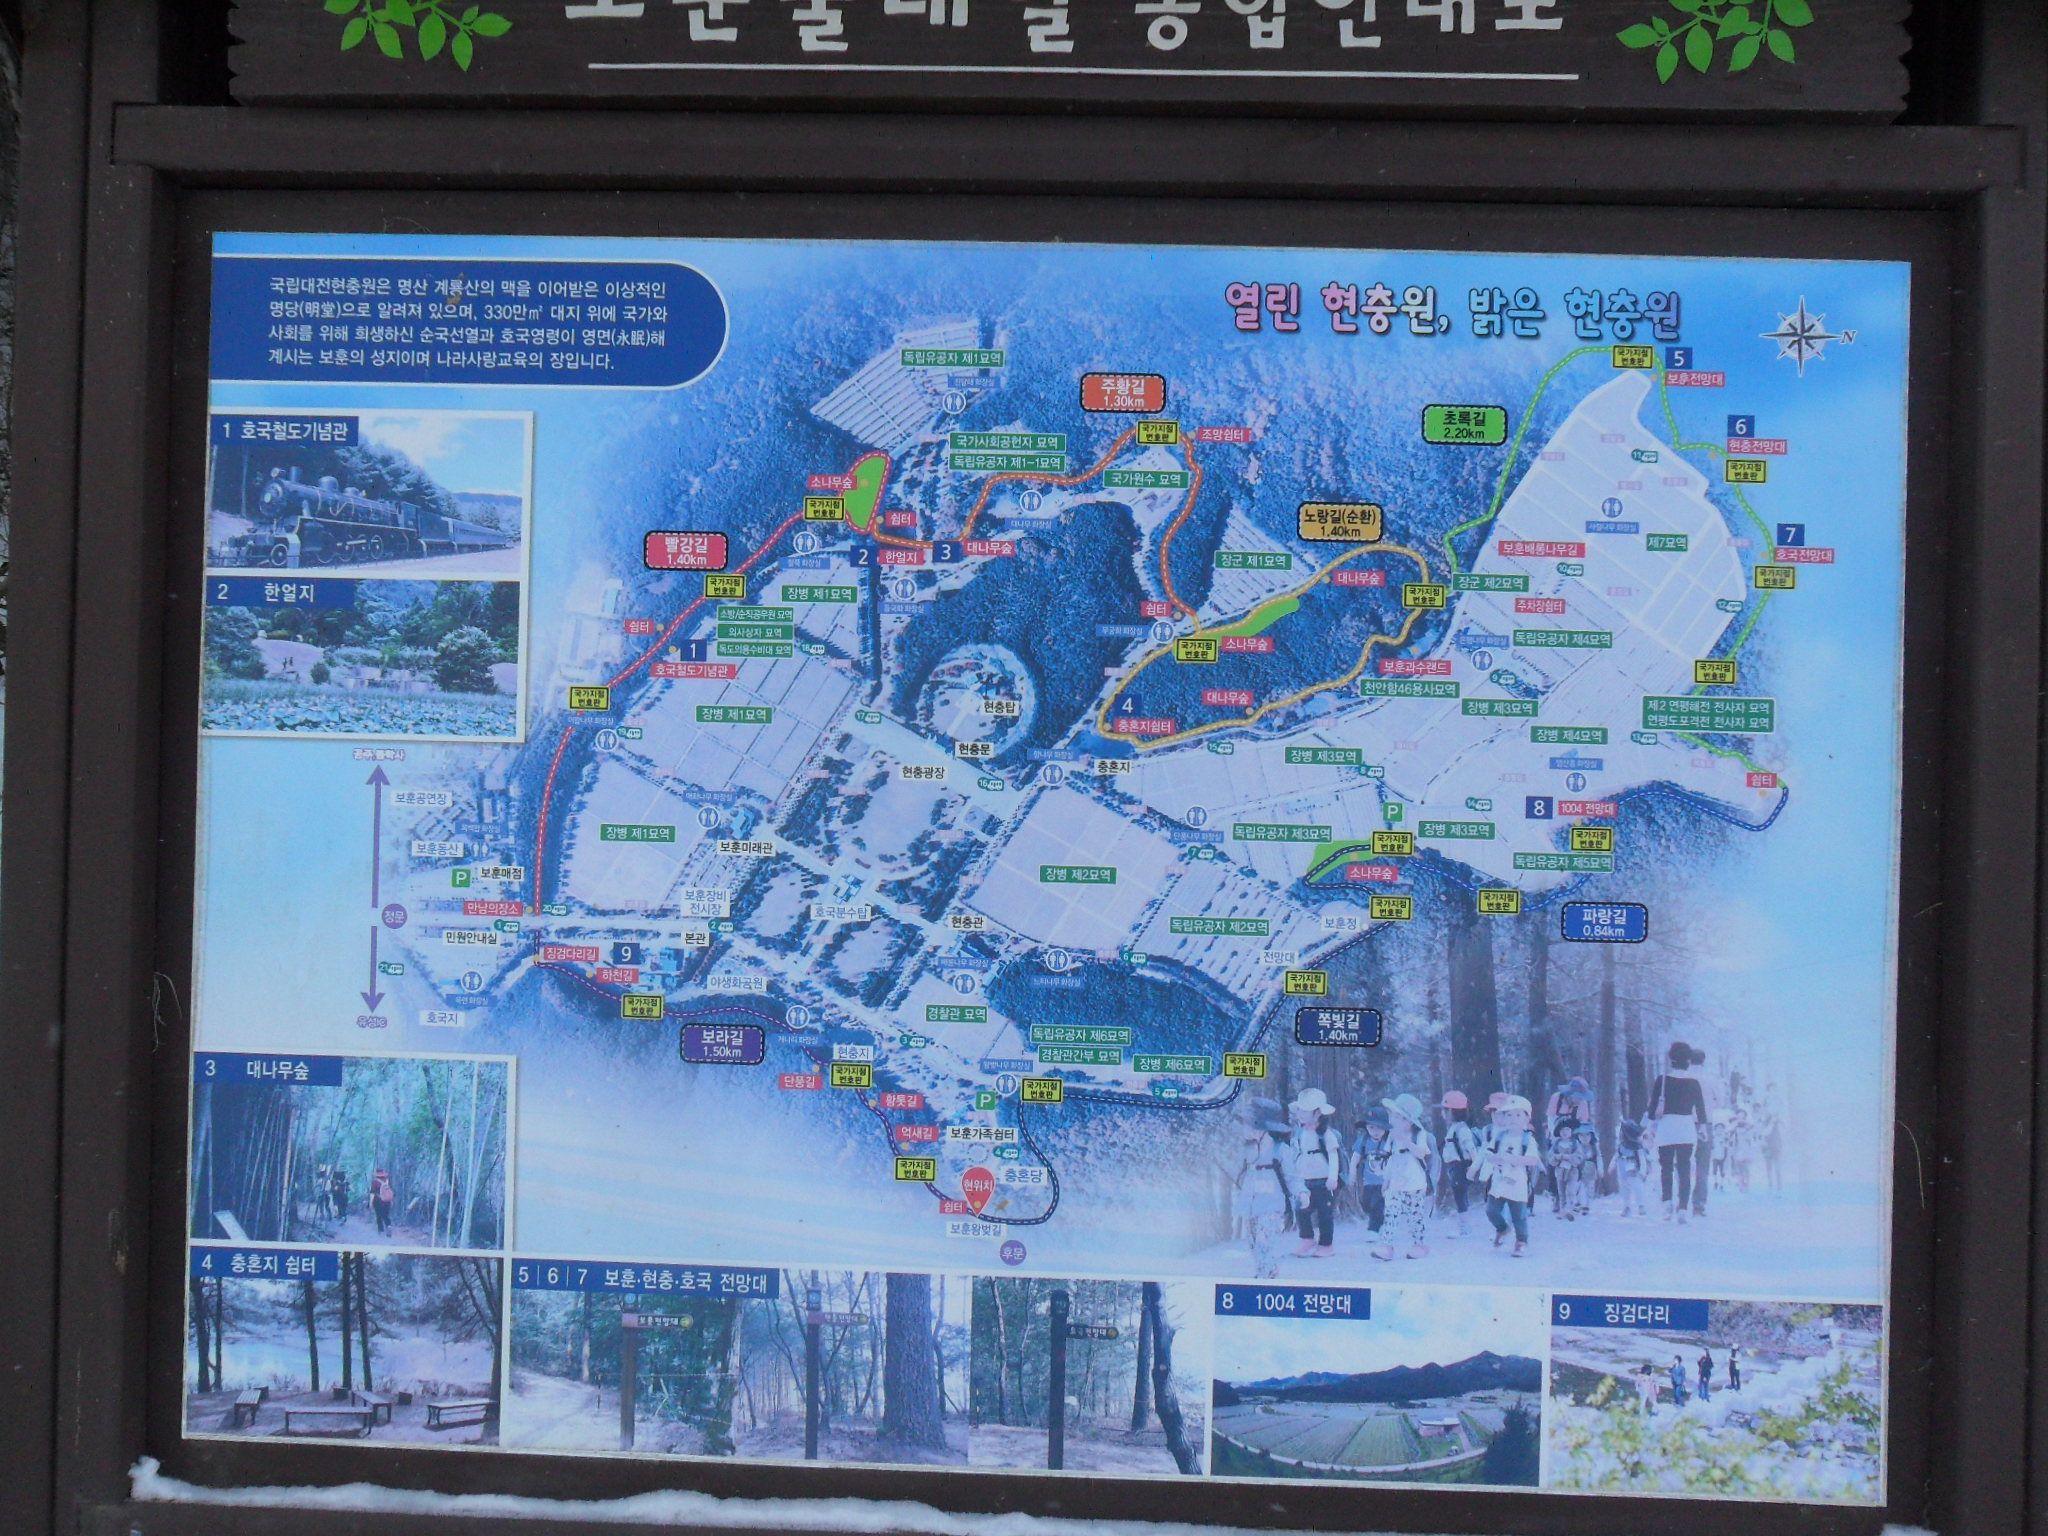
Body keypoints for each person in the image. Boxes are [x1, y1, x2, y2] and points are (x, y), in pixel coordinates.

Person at [1229, 1096, 1300, 1278]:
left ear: (1260, 1126)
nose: (1245, 1128)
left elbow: (1292, 1176)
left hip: (1272, 1205)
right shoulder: (1248, 1150)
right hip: (1251, 1204)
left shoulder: (1281, 1150)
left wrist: (1302, 1193)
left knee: (1264, 1240)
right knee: (1252, 1241)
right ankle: (1267, 1269)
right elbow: (1240, 1172)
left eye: (1248, 1124)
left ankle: (1265, 1274)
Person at [1646, 1041, 1709, 1223]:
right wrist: (1703, 1128)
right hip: (1686, 1127)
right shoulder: (1693, 1083)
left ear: (1671, 1060)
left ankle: (1667, 1205)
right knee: (1684, 1168)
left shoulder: (1662, 1080)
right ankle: (1683, 1208)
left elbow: (1652, 1107)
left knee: (1666, 1167)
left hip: (1666, 1127)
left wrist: (1649, 1128)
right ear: (1688, 1061)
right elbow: (1700, 1108)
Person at [1373, 1093, 1439, 1262]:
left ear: (1408, 1121)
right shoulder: (1391, 1137)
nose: (1392, 1118)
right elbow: (1390, 1159)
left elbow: (1421, 1153)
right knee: (1391, 1214)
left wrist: (1405, 1140)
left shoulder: (1419, 1135)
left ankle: (1419, 1245)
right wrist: (1386, 1180)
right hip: (1396, 1183)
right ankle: (1386, 1246)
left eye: (1396, 1116)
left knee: (1415, 1217)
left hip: (1415, 1184)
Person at [1476, 1093, 1541, 1258]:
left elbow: (1533, 1160)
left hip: (1517, 1183)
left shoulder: (1528, 1139)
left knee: (1519, 1215)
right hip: (1499, 1182)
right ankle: (1502, 1228)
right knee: (1491, 1210)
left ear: (1527, 1118)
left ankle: (1521, 1241)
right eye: (1509, 1115)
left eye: (1518, 1115)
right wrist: (1494, 1158)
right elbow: (1488, 1153)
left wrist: (1515, 1159)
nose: (1513, 1119)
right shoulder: (1500, 1136)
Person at [1289, 1088, 1345, 1258]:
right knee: (1301, 1209)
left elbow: (1333, 1156)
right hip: (1304, 1180)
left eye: (1304, 1111)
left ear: (1318, 1113)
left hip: (1323, 1181)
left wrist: (1333, 1177)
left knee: (1324, 1214)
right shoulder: (1299, 1133)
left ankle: (1326, 1245)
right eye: (1299, 1110)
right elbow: (1296, 1155)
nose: (1300, 1114)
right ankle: (1307, 1238)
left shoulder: (1326, 1134)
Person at [1438, 1091, 1481, 1238]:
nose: (1442, 1113)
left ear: (1451, 1111)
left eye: (1444, 1110)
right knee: (1459, 1195)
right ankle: (1463, 1224)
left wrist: (1474, 1166)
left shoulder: (1462, 1130)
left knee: (1459, 1195)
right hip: (1454, 1166)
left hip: (1461, 1166)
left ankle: (1464, 1226)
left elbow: (1471, 1149)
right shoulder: (1455, 1128)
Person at [1350, 1109, 1390, 1235]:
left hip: (1384, 1182)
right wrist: (1352, 1174)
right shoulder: (1363, 1141)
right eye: (1372, 1127)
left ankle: (1373, 1230)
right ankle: (1381, 1221)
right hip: (1368, 1181)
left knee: (1377, 1204)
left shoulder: (1389, 1142)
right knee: (1366, 1203)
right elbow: (1355, 1158)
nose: (1375, 1131)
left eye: (1379, 1128)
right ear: (1366, 1127)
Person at [1613, 1117, 1652, 1217]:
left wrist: (1643, 1171)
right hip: (1622, 1169)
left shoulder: (1637, 1147)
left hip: (1633, 1169)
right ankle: (1626, 1206)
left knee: (1637, 1187)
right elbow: (1616, 1155)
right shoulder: (1621, 1146)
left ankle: (1641, 1205)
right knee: (1625, 1188)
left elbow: (1642, 1160)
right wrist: (1611, 1165)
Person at [370, 1168, 396, 1235]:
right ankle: (389, 1225)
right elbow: (392, 1192)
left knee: (378, 1215)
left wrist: (370, 1203)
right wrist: (391, 1201)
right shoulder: (388, 1181)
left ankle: (381, 1230)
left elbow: (372, 1193)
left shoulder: (375, 1182)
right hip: (387, 1201)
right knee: (386, 1215)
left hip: (378, 1201)